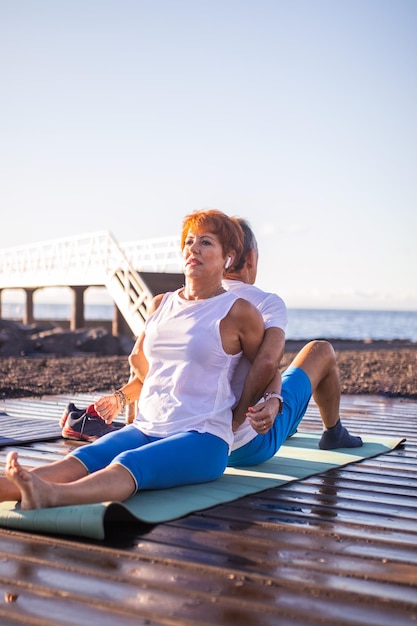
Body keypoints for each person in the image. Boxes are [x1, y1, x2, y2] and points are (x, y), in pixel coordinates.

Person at [3, 210, 279, 510]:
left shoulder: (238, 311)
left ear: (229, 256)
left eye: (206, 242)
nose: (194, 248)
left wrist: (273, 400)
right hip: (147, 426)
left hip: (203, 437)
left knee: (129, 462)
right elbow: (149, 370)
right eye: (189, 241)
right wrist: (121, 398)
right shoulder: (161, 304)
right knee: (88, 456)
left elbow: (266, 366)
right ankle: (14, 486)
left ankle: (52, 496)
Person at [85, 219, 362, 466]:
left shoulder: (179, 302)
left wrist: (126, 407)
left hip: (174, 434)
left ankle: (285, 420)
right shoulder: (264, 303)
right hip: (244, 444)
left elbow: (142, 364)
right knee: (320, 351)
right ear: (250, 257)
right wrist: (240, 418)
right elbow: (267, 362)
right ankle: (333, 432)